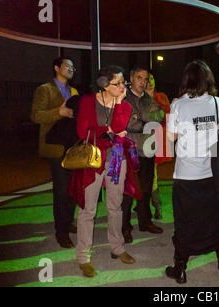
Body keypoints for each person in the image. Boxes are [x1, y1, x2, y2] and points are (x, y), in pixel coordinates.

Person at [165, 60, 219, 284]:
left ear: (187, 79)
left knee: (185, 221)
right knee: (216, 218)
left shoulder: (179, 105)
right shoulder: (217, 103)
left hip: (187, 176)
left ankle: (180, 268)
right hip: (212, 174)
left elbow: (170, 138)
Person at [68, 65, 135, 277]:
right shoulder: (88, 101)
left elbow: (119, 126)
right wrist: (106, 129)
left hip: (116, 156)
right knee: (88, 209)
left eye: (124, 82)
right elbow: (82, 131)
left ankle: (117, 248)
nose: (124, 86)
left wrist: (118, 103)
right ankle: (83, 256)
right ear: (104, 85)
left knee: (115, 206)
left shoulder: (125, 104)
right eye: (119, 83)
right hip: (94, 158)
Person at [31, 56, 79, 249]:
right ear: (56, 68)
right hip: (55, 146)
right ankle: (62, 232)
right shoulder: (45, 89)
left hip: (73, 147)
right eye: (67, 66)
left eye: (73, 67)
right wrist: (58, 113)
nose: (71, 69)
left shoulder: (74, 91)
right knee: (61, 190)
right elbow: (35, 115)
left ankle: (67, 221)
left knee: (73, 188)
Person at [121, 67, 165, 244]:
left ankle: (145, 222)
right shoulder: (124, 97)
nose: (142, 81)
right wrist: (145, 120)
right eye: (139, 77)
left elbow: (160, 116)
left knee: (146, 190)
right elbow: (128, 123)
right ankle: (124, 227)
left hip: (148, 150)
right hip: (129, 151)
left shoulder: (149, 99)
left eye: (145, 79)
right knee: (127, 193)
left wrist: (140, 118)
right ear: (131, 78)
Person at [146, 72, 172, 220]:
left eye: (152, 78)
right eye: (147, 79)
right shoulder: (139, 97)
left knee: (152, 173)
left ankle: (157, 205)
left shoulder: (161, 96)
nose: (149, 82)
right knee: (145, 173)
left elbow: (167, 116)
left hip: (157, 138)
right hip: (142, 138)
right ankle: (147, 201)